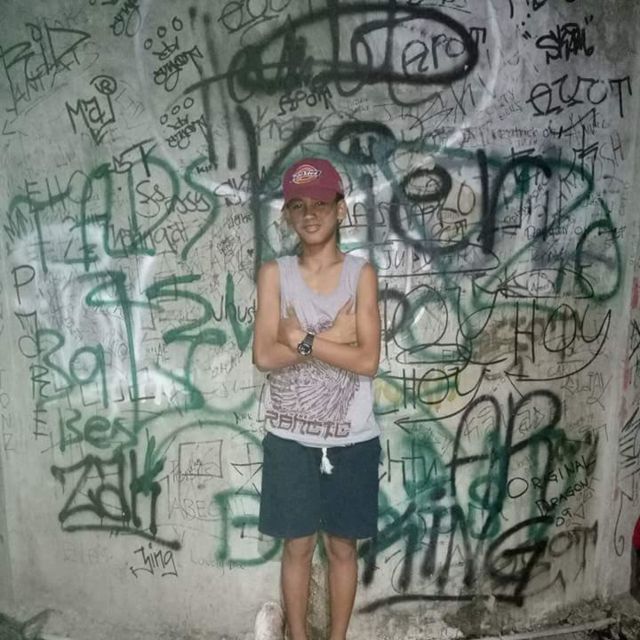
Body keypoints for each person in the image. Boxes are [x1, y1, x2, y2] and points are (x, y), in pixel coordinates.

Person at [252, 157, 381, 640]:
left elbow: (368, 361)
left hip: (353, 439)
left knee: (342, 548)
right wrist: (335, 339)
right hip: (289, 439)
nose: (310, 214)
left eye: (321, 204)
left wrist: (302, 338)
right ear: (288, 214)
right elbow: (264, 355)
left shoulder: (361, 275)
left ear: (340, 209)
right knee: (298, 548)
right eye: (298, 205)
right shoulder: (275, 274)